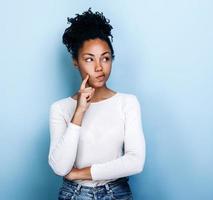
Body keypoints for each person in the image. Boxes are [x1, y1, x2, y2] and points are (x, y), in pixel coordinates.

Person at [48, 8, 146, 200]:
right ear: (76, 62)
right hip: (74, 195)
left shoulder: (127, 103)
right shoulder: (60, 109)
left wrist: (80, 173)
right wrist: (79, 112)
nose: (99, 67)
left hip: (116, 193)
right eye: (89, 59)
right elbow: (60, 167)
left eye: (105, 58)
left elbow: (136, 162)